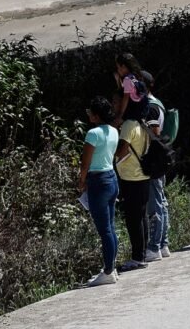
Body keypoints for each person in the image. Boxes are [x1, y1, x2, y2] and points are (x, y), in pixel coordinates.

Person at [78, 96, 120, 286]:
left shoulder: (92, 133)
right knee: (110, 228)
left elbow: (85, 162)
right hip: (112, 178)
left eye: (90, 112)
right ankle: (111, 266)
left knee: (104, 231)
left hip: (98, 181)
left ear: (96, 115)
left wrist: (81, 181)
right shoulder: (114, 131)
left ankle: (108, 271)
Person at [114, 95, 151, 272]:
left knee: (133, 219)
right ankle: (143, 254)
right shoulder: (143, 124)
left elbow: (122, 151)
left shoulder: (129, 124)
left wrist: (112, 153)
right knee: (142, 215)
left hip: (131, 177)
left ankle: (137, 257)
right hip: (143, 175)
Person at [141, 71, 171, 262]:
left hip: (154, 160)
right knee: (161, 201)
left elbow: (155, 133)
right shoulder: (158, 103)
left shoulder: (150, 107)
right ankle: (164, 243)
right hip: (160, 159)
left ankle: (154, 246)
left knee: (155, 204)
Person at [114, 52, 149, 125]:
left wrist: (121, 114)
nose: (117, 70)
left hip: (133, 111)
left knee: (116, 122)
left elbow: (125, 98)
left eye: (118, 67)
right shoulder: (137, 75)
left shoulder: (127, 79)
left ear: (123, 67)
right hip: (143, 110)